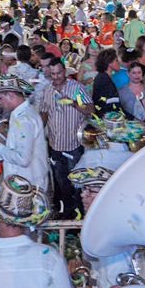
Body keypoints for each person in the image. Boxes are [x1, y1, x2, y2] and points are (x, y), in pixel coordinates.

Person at [34, 57, 90, 219]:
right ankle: (66, 215)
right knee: (61, 183)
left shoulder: (77, 89)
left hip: (73, 145)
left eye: (59, 73)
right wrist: (37, 131)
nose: (56, 77)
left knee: (77, 184)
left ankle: (81, 216)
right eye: (53, 74)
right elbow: (44, 112)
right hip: (55, 145)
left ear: (64, 71)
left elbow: (89, 109)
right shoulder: (48, 90)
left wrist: (73, 103)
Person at [0, 74, 50, 208]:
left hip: (27, 189)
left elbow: (22, 158)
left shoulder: (24, 119)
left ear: (10, 95)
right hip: (23, 187)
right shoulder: (22, 115)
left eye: (0, 98)